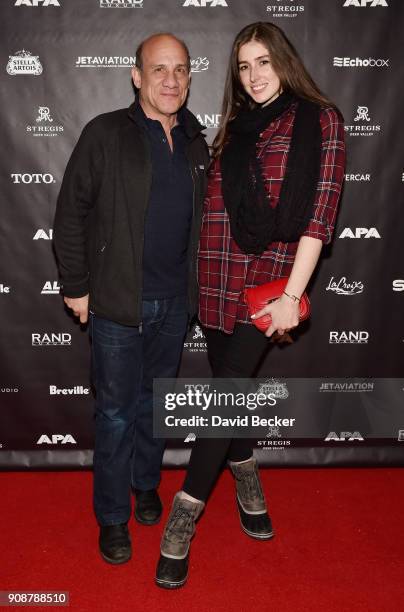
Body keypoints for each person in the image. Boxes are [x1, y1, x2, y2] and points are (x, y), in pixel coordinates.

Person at [155, 21, 346, 588]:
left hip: (265, 281)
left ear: (284, 62)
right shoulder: (236, 128)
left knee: (229, 387)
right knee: (228, 391)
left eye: (264, 62)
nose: (254, 75)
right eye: (244, 66)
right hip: (211, 275)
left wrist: (294, 294)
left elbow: (319, 215)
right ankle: (248, 479)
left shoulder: (321, 120)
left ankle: (183, 517)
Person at [53, 33, 209, 565]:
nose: (171, 80)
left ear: (190, 77)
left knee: (154, 407)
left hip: (173, 305)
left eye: (181, 70)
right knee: (117, 414)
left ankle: (146, 485)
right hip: (118, 304)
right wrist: (76, 286)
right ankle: (113, 517)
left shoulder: (195, 139)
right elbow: (70, 213)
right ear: (137, 76)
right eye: (159, 69)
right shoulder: (105, 134)